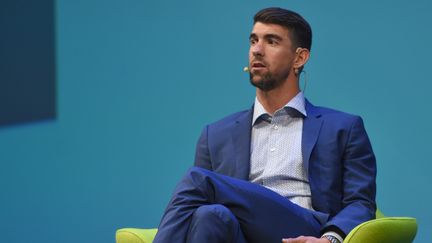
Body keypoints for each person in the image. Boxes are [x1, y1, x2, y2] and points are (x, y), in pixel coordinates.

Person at [153, 7, 376, 243]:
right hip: (240, 235)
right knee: (209, 214)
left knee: (199, 180)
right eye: (253, 40)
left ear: (299, 58)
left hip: (303, 231)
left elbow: (360, 202)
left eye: (271, 41)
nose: (257, 50)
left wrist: (330, 239)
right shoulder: (214, 135)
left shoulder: (344, 127)